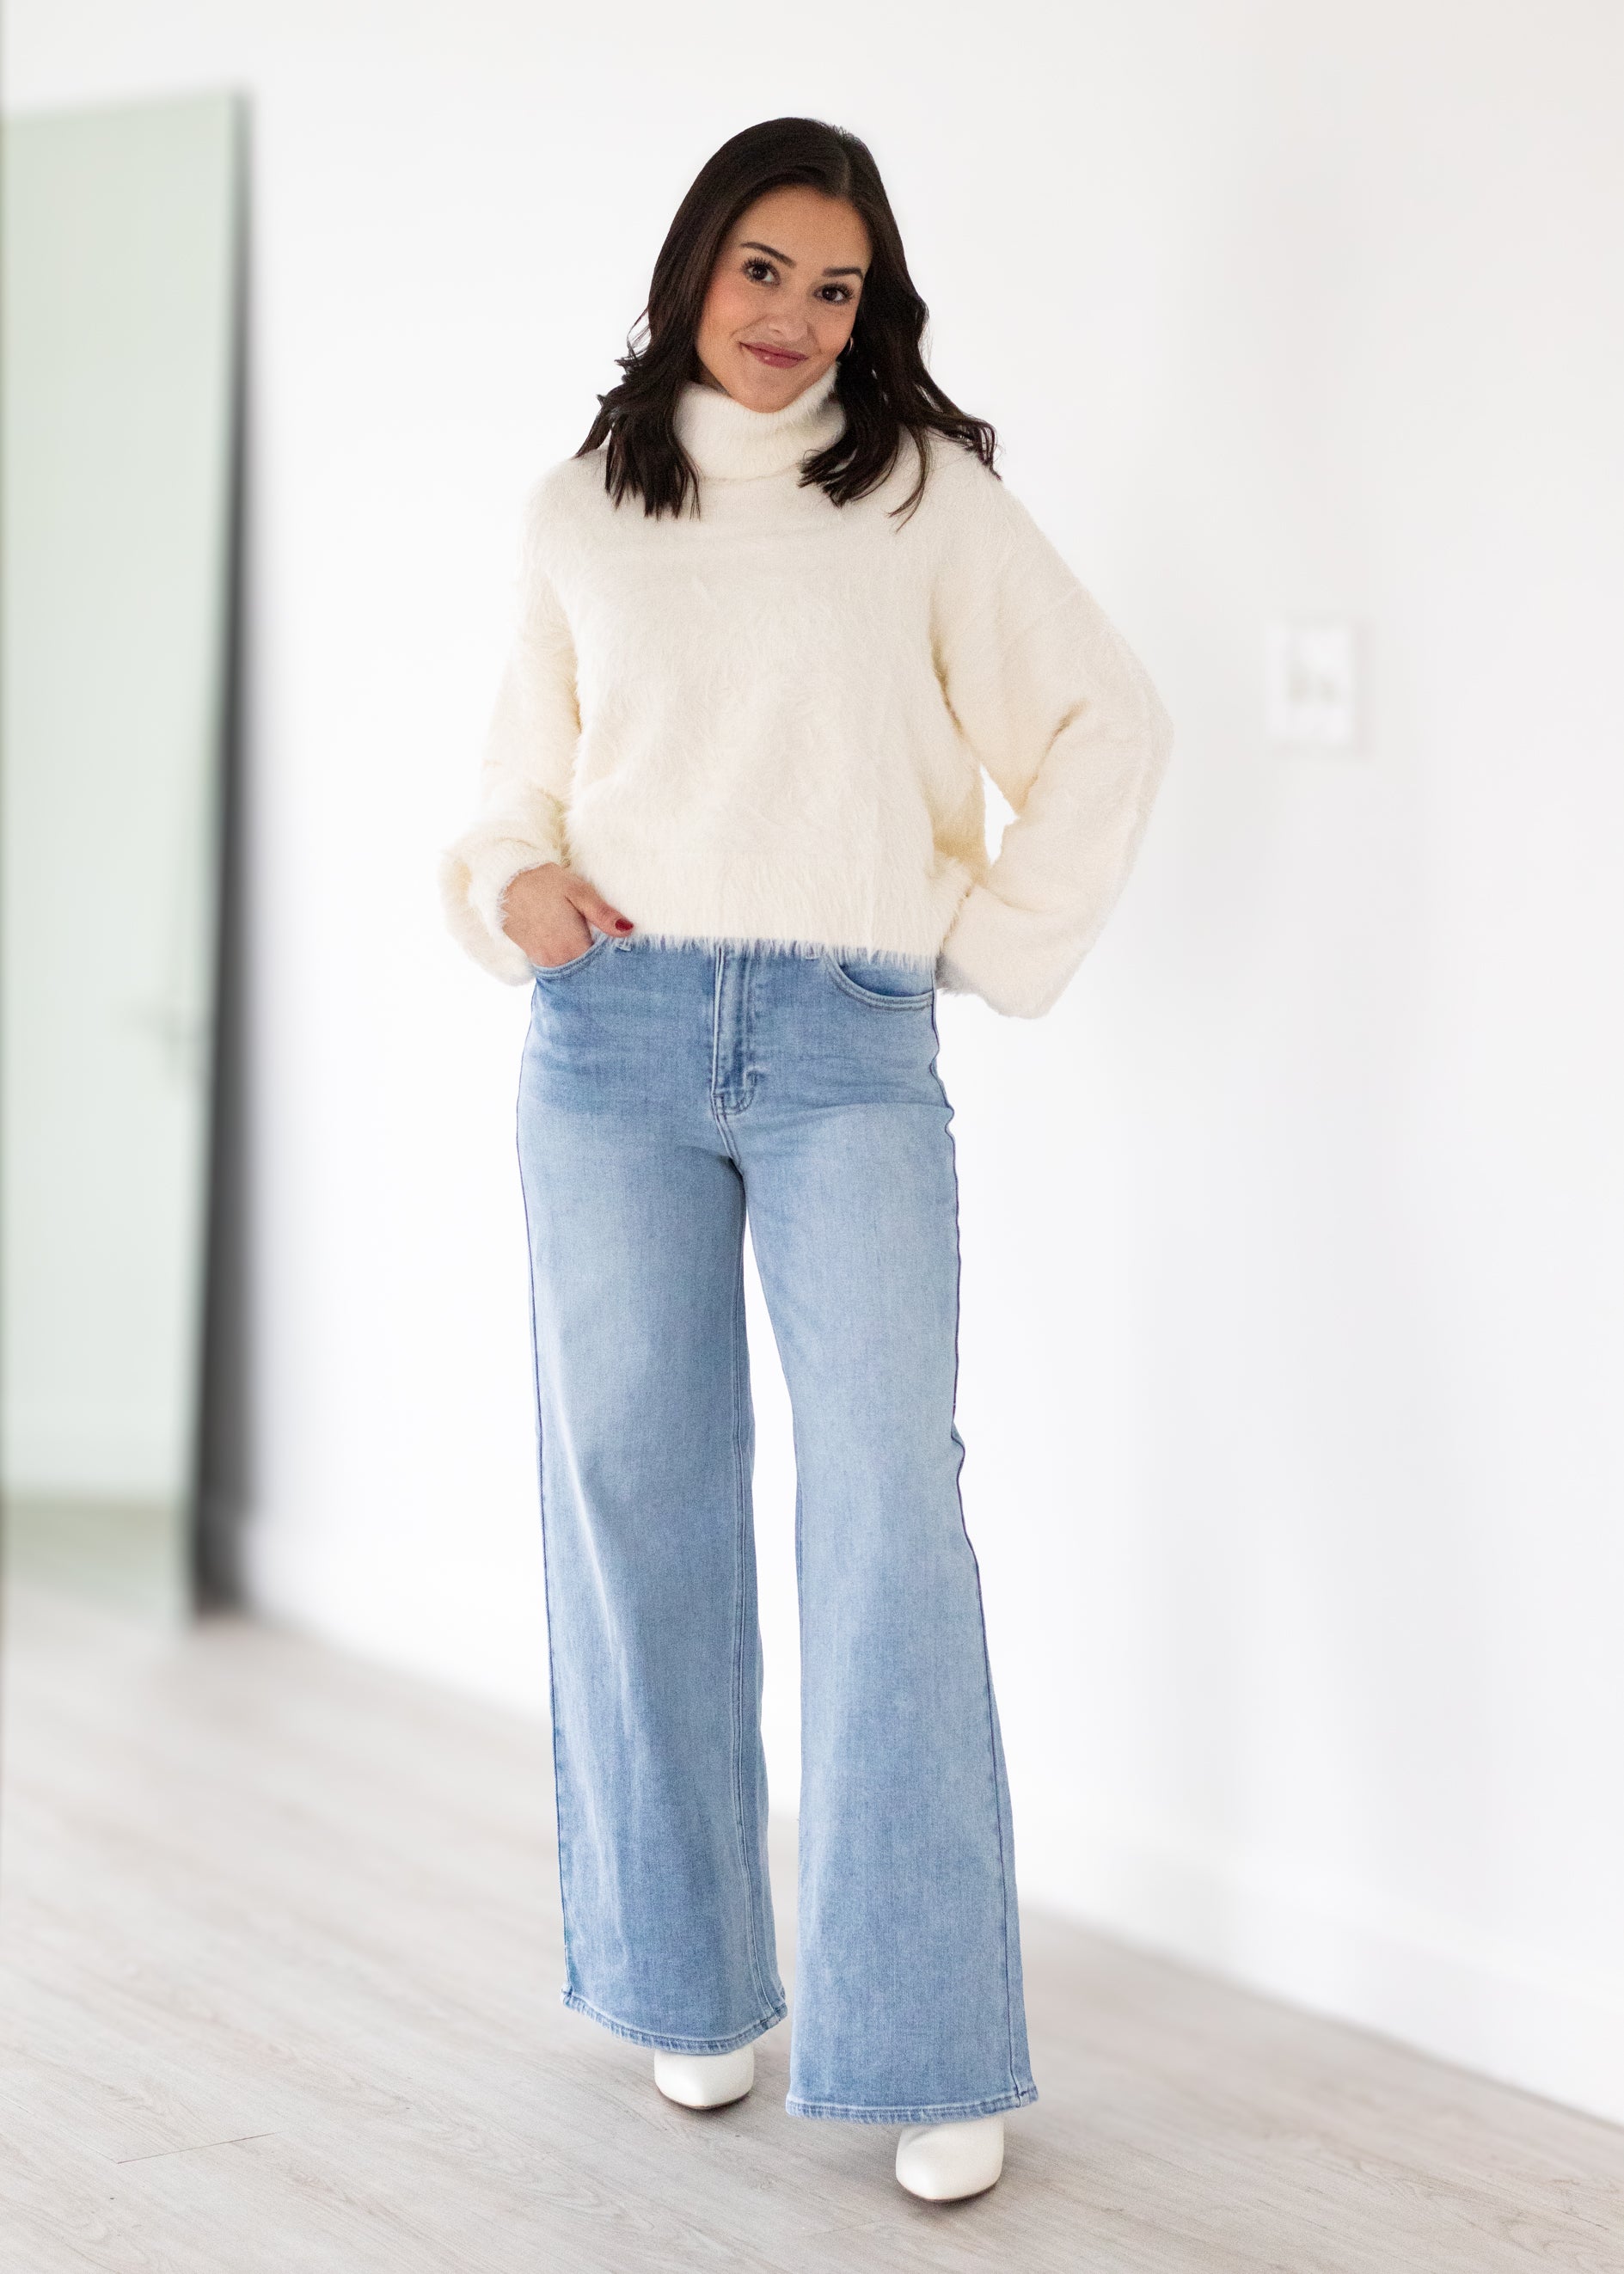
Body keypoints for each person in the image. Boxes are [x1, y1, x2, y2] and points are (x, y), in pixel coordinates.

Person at [440, 115, 1173, 2205]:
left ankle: (924, 2036)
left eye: (835, 288)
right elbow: (512, 799)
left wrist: (984, 946)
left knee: (887, 1522)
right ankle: (688, 1981)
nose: (792, 318)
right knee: (635, 1500)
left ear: (874, 310)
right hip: (612, 1039)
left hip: (847, 1046)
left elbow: (1106, 721)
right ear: (695, 266)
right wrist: (511, 889)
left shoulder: (921, 497)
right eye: (763, 269)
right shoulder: (581, 510)